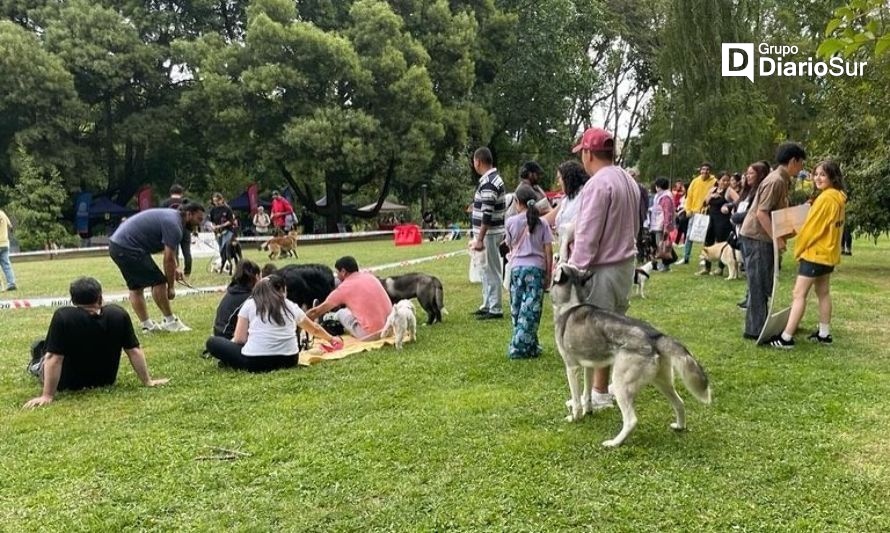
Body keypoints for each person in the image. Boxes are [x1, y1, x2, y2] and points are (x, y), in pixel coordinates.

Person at [567, 126, 640, 409]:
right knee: (614, 329)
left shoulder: (597, 184)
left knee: (596, 333)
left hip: (602, 268)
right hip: (624, 264)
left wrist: (574, 271)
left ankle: (597, 393)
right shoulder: (627, 179)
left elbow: (588, 235)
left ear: (588, 153)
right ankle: (603, 389)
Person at [23, 277, 168, 408]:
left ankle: (36, 364)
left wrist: (47, 395)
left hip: (67, 383)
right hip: (105, 379)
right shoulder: (118, 314)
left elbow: (54, 358)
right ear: (100, 298)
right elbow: (134, 350)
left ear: (73, 301)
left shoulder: (63, 316)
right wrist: (147, 381)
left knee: (40, 348)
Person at [769, 160, 846, 348]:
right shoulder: (838, 197)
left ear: (832, 177)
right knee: (823, 292)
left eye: (823, 175)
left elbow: (813, 229)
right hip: (828, 253)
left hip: (815, 254)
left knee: (798, 294)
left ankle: (786, 338)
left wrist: (799, 247)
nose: (817, 178)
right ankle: (824, 334)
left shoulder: (826, 199)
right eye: (816, 174)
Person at [740, 142, 807, 341]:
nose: (802, 168)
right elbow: (761, 213)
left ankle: (758, 325)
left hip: (762, 237)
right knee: (758, 285)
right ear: (793, 161)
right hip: (756, 237)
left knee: (762, 284)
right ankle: (755, 330)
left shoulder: (783, 180)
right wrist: (776, 238)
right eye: (801, 163)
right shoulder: (776, 180)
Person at [205, 274, 342, 372]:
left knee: (213, 342)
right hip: (289, 359)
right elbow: (314, 329)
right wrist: (331, 339)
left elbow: (240, 339)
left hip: (256, 361)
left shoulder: (250, 304)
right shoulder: (290, 305)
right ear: (283, 290)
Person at [108, 204, 205, 332]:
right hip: (129, 247)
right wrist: (170, 287)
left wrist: (176, 267)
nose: (198, 224)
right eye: (198, 219)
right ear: (189, 214)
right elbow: (168, 258)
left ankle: (148, 326)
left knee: (136, 287)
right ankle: (170, 321)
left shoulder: (172, 217)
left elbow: (169, 253)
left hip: (116, 245)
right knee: (159, 282)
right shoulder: (174, 225)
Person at [505, 185, 553, 359]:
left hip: (517, 270)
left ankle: (524, 344)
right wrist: (549, 273)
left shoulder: (510, 222)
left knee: (517, 308)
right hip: (537, 270)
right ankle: (523, 345)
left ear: (518, 202)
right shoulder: (543, 223)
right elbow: (548, 250)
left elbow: (509, 245)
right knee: (531, 310)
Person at [307, 256, 393, 339]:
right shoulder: (370, 276)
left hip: (371, 334)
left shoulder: (343, 288)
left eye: (337, 273)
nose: (337, 276)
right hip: (391, 329)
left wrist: (298, 320)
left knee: (341, 312)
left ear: (343, 271)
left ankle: (329, 317)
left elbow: (315, 312)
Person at [469, 147, 507, 320]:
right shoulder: (491, 179)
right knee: (485, 270)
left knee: (491, 269)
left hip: (490, 233)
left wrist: (480, 238)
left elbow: (487, 213)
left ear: (478, 161)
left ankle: (495, 308)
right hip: (489, 233)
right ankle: (487, 304)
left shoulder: (490, 182)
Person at [732, 161, 770, 309]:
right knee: (748, 269)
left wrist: (736, 217)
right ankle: (749, 296)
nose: (747, 176)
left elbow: (753, 213)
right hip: (741, 232)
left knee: (754, 270)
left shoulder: (760, 192)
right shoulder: (747, 191)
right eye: (746, 173)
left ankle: (753, 299)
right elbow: (738, 204)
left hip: (753, 234)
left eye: (751, 173)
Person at [543, 160, 589, 260]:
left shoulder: (585, 195)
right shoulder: (566, 199)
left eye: (559, 178)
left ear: (568, 178)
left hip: (577, 252)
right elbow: (548, 218)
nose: (558, 183)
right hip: (565, 251)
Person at [212, 260, 262, 339]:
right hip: (230, 337)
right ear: (257, 277)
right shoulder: (249, 299)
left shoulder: (233, 292)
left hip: (219, 334)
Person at [697, 172, 734, 275]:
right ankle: (706, 267)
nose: (726, 182)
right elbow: (704, 203)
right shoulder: (713, 189)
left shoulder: (729, 191)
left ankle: (720, 268)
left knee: (722, 243)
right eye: (723, 180)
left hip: (723, 220)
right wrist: (711, 196)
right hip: (711, 218)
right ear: (718, 181)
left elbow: (738, 201)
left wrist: (728, 205)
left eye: (728, 180)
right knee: (708, 241)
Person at [681, 163, 716, 264]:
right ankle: (686, 257)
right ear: (700, 170)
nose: (705, 172)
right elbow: (689, 196)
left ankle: (705, 258)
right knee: (689, 235)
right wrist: (688, 210)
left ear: (710, 171)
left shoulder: (714, 182)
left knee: (705, 236)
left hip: (706, 213)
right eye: (703, 169)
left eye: (707, 170)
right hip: (694, 212)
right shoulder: (695, 181)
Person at [649, 177, 676, 272]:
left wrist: (666, 227)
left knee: (662, 245)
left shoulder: (665, 197)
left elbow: (667, 212)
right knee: (661, 244)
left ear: (658, 186)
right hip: (657, 223)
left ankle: (666, 265)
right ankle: (669, 260)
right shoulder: (659, 196)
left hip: (661, 224)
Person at [209, 192, 237, 270]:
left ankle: (229, 263)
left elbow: (230, 221)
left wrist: (221, 226)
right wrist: (214, 227)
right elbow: (212, 221)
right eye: (214, 201)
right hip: (218, 232)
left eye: (217, 200)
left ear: (221, 200)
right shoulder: (213, 210)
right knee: (221, 249)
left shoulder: (227, 209)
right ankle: (224, 264)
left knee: (225, 247)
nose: (216, 202)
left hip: (228, 231)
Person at [0, 207, 16, 291]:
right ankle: (11, 283)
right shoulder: (3, 213)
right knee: (6, 264)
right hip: (5, 243)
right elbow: (11, 227)